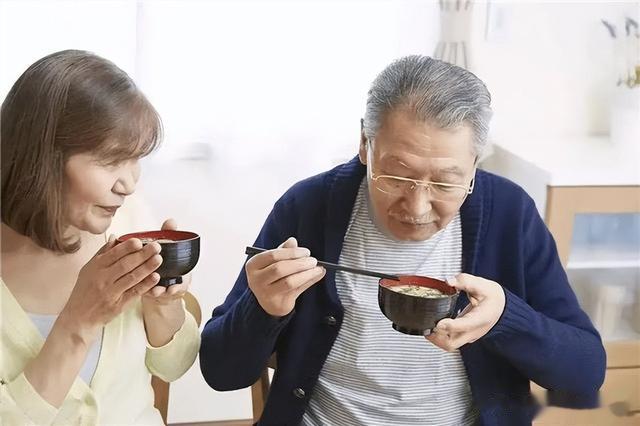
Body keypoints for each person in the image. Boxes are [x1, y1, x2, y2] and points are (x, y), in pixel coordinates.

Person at [199, 55, 606, 425]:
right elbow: (221, 372)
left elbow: (585, 373)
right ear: (365, 143)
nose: (417, 206)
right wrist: (264, 308)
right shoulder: (308, 206)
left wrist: (505, 319)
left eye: (445, 183)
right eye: (396, 176)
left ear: (475, 164)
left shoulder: (510, 213)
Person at [1, 50, 200, 425]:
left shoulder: (127, 219)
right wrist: (77, 323)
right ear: (41, 158)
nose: (129, 184)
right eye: (110, 160)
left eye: (135, 158)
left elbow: (173, 366)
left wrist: (163, 304)